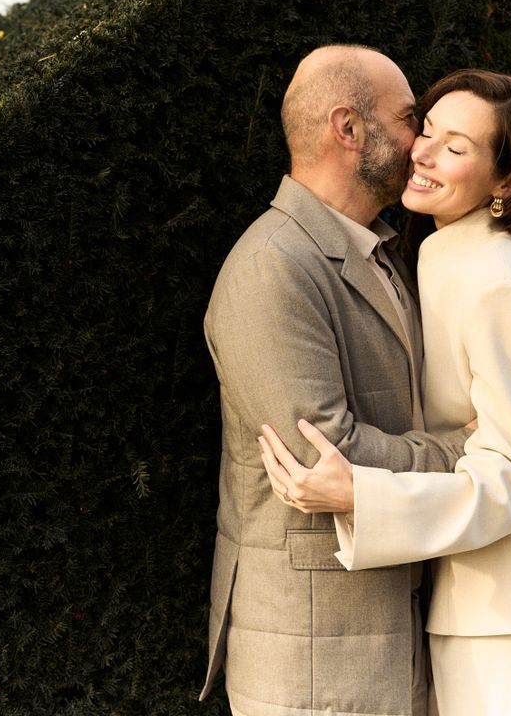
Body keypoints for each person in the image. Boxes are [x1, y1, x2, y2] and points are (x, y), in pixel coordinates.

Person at [258, 69, 511, 715]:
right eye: (427, 130)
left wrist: (361, 495)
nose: (423, 152)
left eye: (456, 147)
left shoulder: (501, 280)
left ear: (505, 182)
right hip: (472, 605)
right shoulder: (435, 255)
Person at [200, 44, 474, 716]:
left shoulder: (384, 252)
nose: (422, 145)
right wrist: (475, 451)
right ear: (348, 128)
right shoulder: (272, 266)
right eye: (411, 120)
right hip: (312, 662)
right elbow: (326, 455)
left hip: (391, 640)